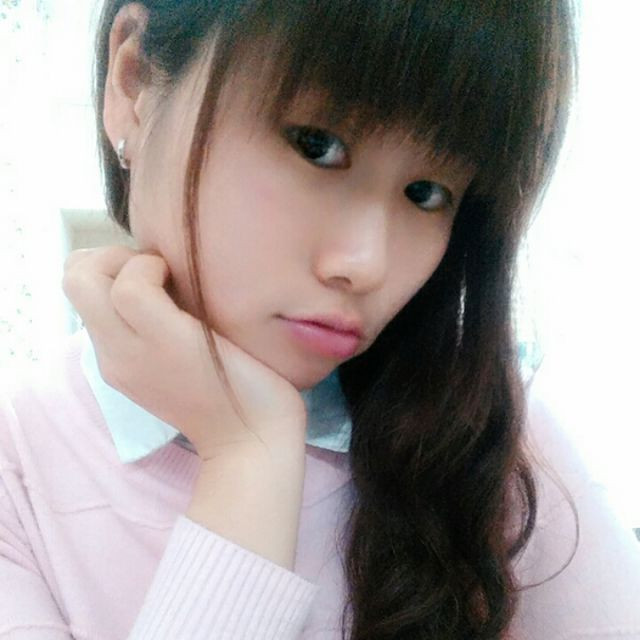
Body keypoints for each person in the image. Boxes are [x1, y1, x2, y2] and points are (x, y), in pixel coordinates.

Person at [0, 0, 639, 638]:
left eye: (427, 193)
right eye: (317, 145)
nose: (366, 264)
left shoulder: (486, 440)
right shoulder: (19, 467)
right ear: (134, 79)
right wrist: (248, 457)